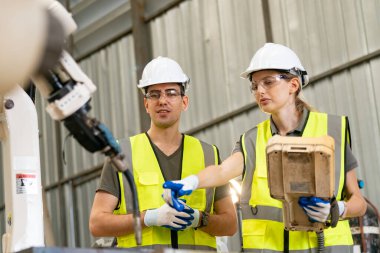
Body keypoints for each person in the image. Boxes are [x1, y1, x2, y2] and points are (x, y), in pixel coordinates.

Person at [163, 43, 367, 252]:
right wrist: (191, 181)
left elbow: (359, 203)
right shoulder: (252, 140)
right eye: (255, 85)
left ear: (293, 84)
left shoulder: (332, 130)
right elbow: (222, 171)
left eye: (268, 82)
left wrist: (337, 209)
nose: (259, 91)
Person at [89, 56, 237, 250]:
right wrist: (149, 218)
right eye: (154, 94)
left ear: (184, 102)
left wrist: (199, 219)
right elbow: (97, 224)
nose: (162, 101)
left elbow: (230, 224)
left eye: (171, 93)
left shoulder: (209, 153)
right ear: (146, 104)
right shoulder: (122, 153)